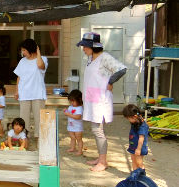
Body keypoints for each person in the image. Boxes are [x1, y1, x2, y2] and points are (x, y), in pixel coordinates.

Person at [77, 32, 126, 172]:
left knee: (98, 131)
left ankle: (103, 162)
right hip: (92, 99)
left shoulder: (105, 58)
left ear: (93, 46)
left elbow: (122, 69)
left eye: (85, 46)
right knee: (96, 130)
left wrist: (111, 82)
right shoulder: (91, 58)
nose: (83, 49)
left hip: (100, 100)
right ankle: (100, 157)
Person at [13, 38, 48, 142]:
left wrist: (38, 52)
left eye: (24, 50)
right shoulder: (22, 61)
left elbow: (40, 66)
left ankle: (39, 138)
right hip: (24, 93)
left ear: (31, 49)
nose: (22, 52)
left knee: (39, 118)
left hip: (38, 94)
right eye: (22, 50)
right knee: (23, 118)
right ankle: (24, 137)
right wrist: (16, 91)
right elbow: (19, 77)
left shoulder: (42, 59)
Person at [123, 104, 149, 170]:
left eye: (128, 118)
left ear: (134, 116)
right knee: (133, 160)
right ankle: (134, 173)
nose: (128, 120)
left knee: (139, 162)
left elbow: (141, 138)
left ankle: (142, 175)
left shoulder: (142, 126)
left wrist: (138, 149)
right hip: (133, 146)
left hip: (139, 147)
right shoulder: (135, 123)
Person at [63, 89, 84, 156]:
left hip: (77, 127)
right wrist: (66, 111)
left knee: (78, 138)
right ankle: (73, 148)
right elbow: (69, 112)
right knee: (72, 137)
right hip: (71, 125)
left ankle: (80, 150)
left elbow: (78, 117)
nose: (71, 103)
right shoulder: (71, 107)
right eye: (70, 101)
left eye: (73, 101)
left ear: (79, 100)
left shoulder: (80, 108)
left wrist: (68, 114)